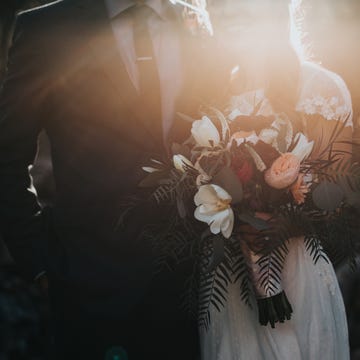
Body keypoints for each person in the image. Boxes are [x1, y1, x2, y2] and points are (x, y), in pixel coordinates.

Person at [0, 0, 224, 358]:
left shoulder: (195, 23)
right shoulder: (48, 28)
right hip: (88, 291)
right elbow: (7, 156)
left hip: (190, 294)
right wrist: (41, 264)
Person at [201, 1, 352, 359]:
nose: (226, 11)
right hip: (227, 284)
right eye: (215, 4)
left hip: (296, 274)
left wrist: (277, 216)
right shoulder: (207, 96)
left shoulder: (320, 87)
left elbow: (341, 193)